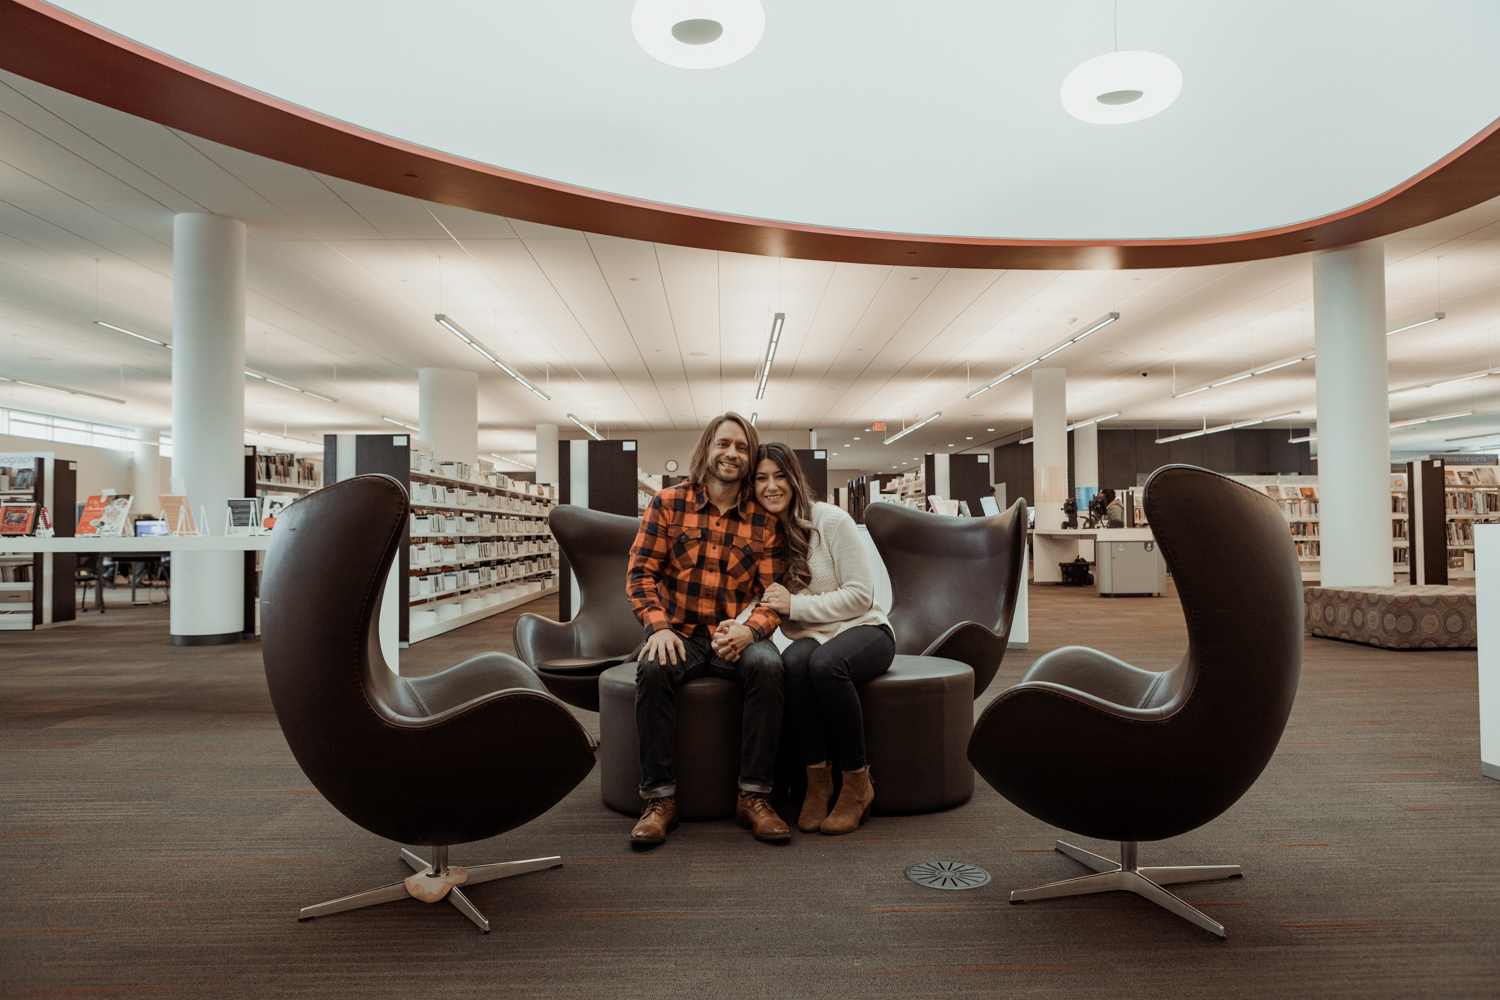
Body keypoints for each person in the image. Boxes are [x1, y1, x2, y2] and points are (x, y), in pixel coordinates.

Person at [625, 412, 790, 847]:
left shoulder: (764, 520)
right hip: (678, 632)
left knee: (770, 669)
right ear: (707, 449)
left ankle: (754, 796)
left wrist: (751, 632)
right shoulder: (666, 502)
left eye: (740, 447)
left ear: (749, 456)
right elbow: (640, 574)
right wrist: (656, 628)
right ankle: (659, 801)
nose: (731, 453)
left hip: (734, 636)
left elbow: (775, 596)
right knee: (653, 669)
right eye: (723, 444)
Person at [751, 442, 893, 835]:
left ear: (794, 479)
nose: (771, 486)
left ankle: (856, 783)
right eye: (761, 478)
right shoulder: (760, 537)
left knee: (826, 665)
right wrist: (737, 627)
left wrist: (795, 606)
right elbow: (756, 600)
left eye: (779, 476)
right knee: (793, 663)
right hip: (814, 636)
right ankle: (817, 782)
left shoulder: (830, 519)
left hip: (865, 628)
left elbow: (860, 595)